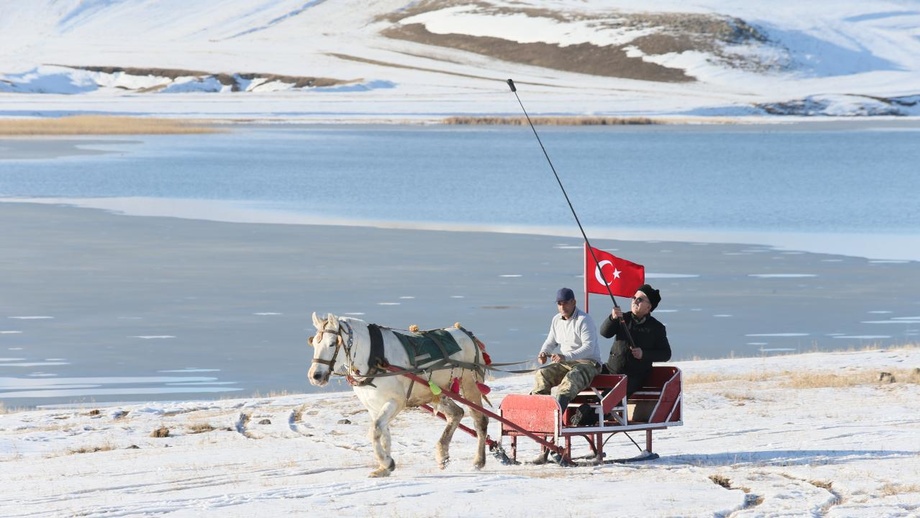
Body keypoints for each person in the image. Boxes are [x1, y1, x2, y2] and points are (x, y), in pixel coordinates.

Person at [530, 287, 603, 412]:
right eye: (559, 304)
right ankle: (541, 413)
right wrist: (544, 352)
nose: (562, 307)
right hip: (566, 363)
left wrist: (566, 356)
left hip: (589, 364)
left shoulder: (584, 320)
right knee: (542, 374)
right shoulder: (556, 320)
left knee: (570, 380)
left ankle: (557, 417)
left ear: (573, 302)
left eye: (565, 303)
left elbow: (589, 348)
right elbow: (551, 341)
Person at [599, 283, 672, 396]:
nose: (635, 301)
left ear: (649, 307)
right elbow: (605, 333)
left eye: (640, 299)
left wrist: (643, 354)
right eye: (634, 297)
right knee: (587, 374)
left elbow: (666, 354)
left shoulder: (656, 328)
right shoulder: (623, 318)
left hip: (634, 377)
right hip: (611, 371)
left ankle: (595, 407)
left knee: (610, 396)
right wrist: (612, 318)